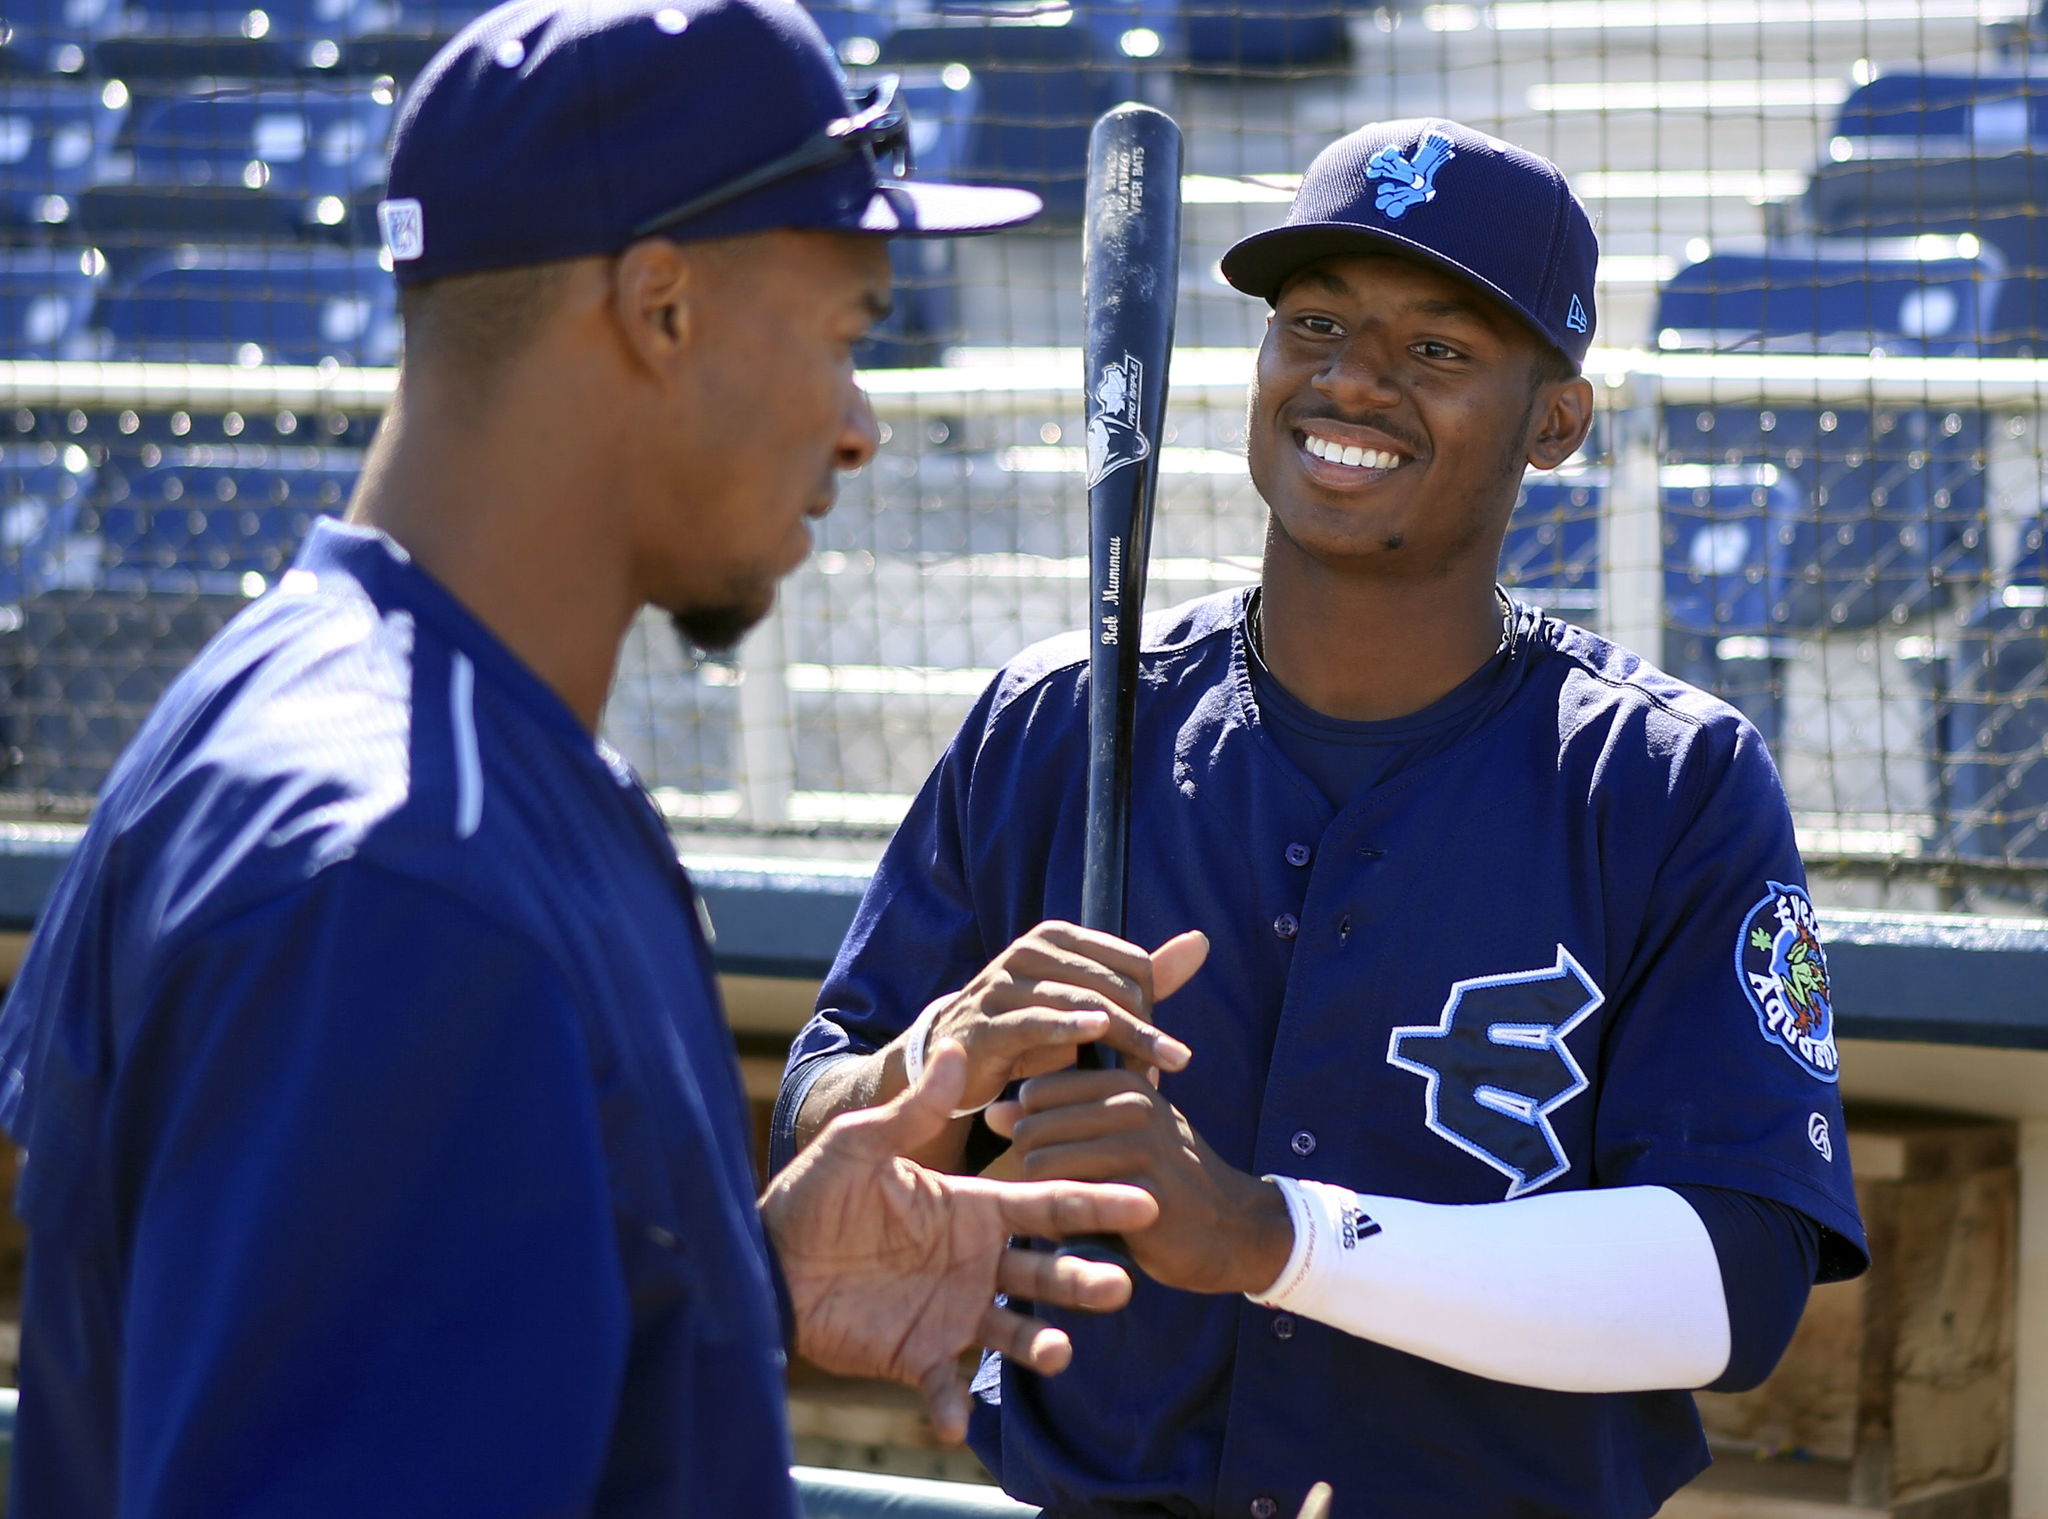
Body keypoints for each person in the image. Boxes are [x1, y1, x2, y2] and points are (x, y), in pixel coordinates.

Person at [0, 1, 1168, 1512]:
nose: (862, 424)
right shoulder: (402, 879)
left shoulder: (291, 713)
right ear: (660, 307)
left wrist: (733, 1278)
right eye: (844, 331)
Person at [777, 121, 1871, 1519]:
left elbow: (1735, 1286)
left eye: (1438, 349)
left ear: (1556, 421)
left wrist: (1272, 1238)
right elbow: (822, 1114)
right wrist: (929, 1070)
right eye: (1314, 322)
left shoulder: (1663, 779)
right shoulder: (1058, 720)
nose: (1351, 376)